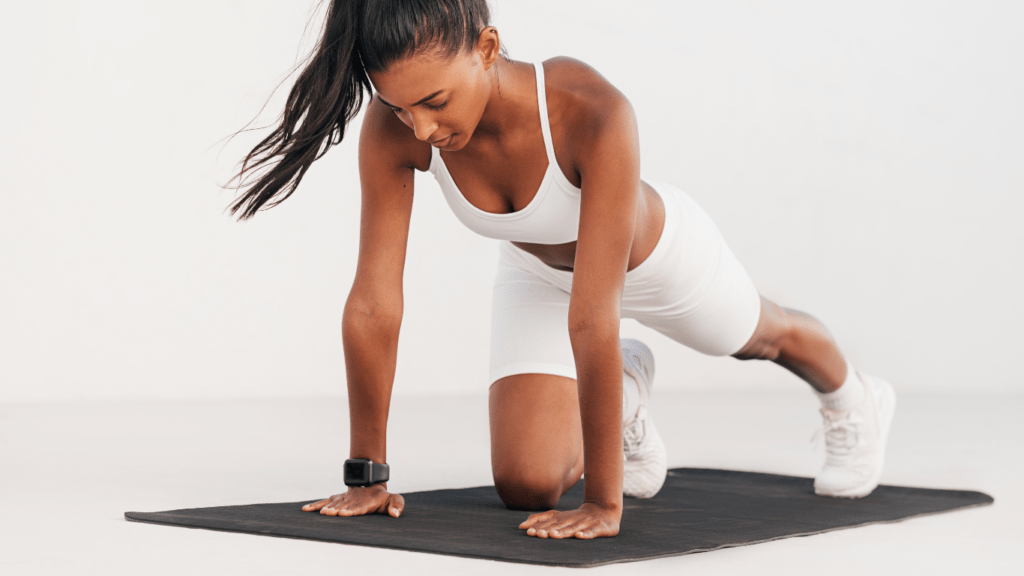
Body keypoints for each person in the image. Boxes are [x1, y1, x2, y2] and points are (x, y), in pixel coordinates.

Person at [228, 0, 897, 540]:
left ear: (486, 49)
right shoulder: (394, 128)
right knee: (526, 484)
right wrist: (367, 476)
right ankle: (624, 388)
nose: (421, 127)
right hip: (537, 277)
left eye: (434, 101)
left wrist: (606, 505)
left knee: (762, 336)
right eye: (401, 106)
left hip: (659, 261)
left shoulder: (589, 110)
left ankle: (855, 397)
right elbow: (375, 304)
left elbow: (594, 312)